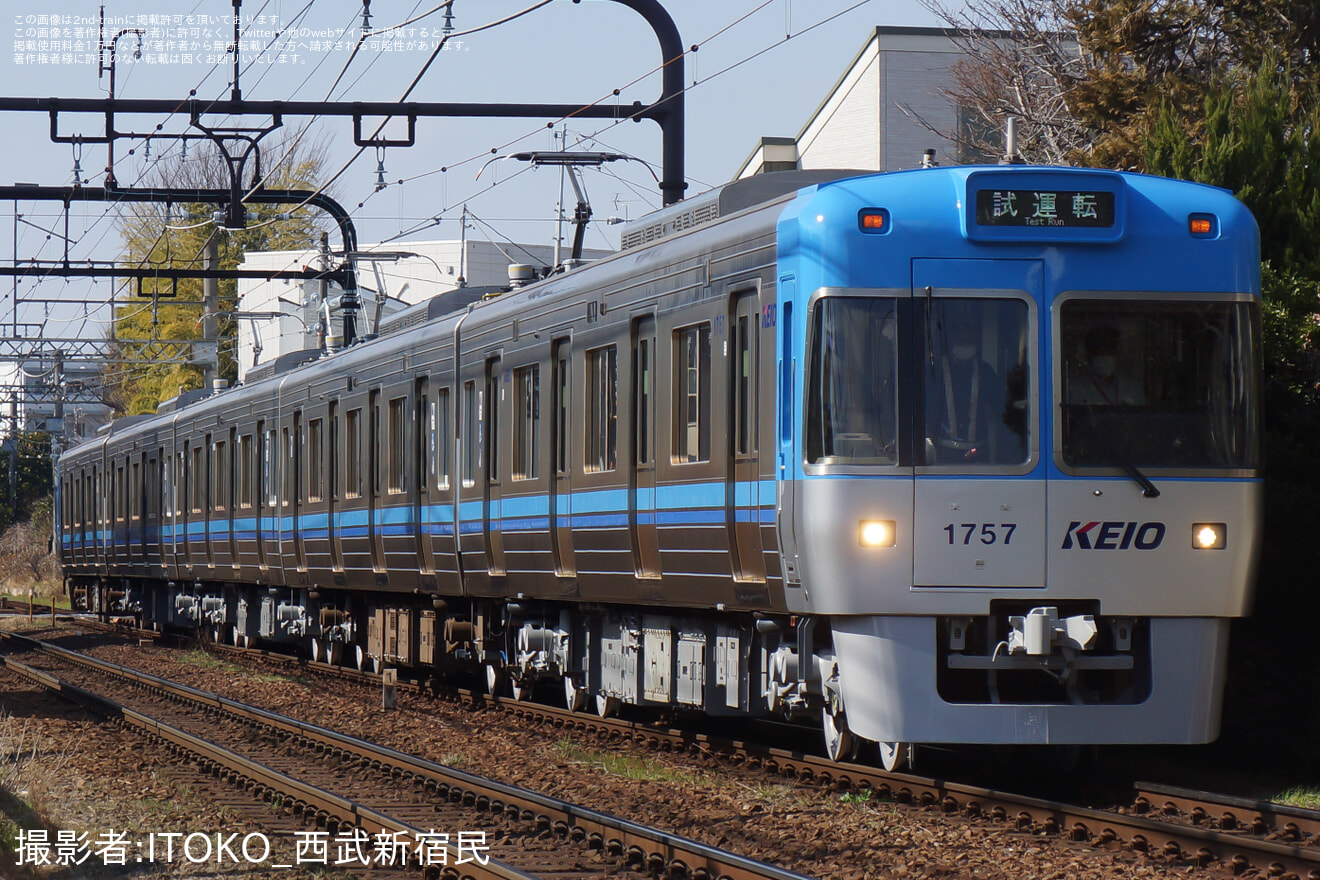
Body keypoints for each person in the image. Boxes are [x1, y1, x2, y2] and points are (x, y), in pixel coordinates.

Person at [927, 315, 1007, 464]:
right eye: (960, 340)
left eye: (968, 339)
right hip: (942, 453)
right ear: (951, 341)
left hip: (979, 453)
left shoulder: (985, 371)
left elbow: (1000, 409)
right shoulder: (934, 370)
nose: (964, 342)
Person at [1072, 326, 1144, 406]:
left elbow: (1141, 417)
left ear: (1118, 352)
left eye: (1110, 347)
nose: (1104, 352)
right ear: (1089, 353)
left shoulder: (1132, 388)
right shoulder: (1076, 389)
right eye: (1098, 347)